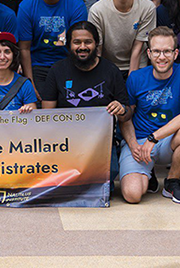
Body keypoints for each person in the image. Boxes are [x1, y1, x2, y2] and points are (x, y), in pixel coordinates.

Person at [40, 22, 130, 186]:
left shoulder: (111, 71)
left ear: (96, 44)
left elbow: (126, 114)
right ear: (69, 44)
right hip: (66, 144)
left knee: (102, 185)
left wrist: (121, 109)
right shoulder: (57, 70)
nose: (82, 47)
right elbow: (47, 116)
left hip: (101, 146)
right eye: (77, 42)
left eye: (88, 42)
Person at [119, 26, 180, 204]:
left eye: (167, 51)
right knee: (132, 195)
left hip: (167, 141)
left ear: (176, 53)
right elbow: (125, 118)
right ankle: (149, 174)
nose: (161, 57)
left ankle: (172, 182)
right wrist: (134, 145)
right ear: (148, 53)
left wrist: (153, 138)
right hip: (140, 142)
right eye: (156, 51)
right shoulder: (136, 77)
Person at [17, 0, 88, 85]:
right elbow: (24, 48)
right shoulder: (26, 6)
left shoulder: (76, 5)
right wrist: (30, 82)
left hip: (68, 63)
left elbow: (77, 45)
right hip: (37, 66)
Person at [88, 0, 156, 76]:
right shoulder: (97, 10)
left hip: (138, 65)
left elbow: (138, 47)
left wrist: (132, 79)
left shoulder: (147, 7)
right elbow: (97, 48)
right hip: (107, 65)